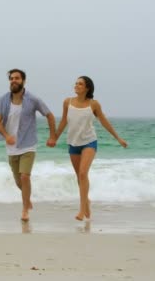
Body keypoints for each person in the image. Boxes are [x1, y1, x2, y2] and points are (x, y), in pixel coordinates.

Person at [54, 76, 128, 221]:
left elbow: (104, 122)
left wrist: (118, 138)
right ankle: (86, 201)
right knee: (79, 177)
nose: (76, 85)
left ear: (87, 88)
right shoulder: (67, 102)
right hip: (73, 143)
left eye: (80, 84)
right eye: (76, 83)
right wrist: (54, 138)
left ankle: (81, 210)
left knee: (82, 173)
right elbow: (63, 121)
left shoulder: (93, 104)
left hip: (89, 142)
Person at [0, 69, 56, 222]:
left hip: (28, 145)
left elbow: (49, 115)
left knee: (25, 176)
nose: (13, 81)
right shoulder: (3, 100)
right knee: (18, 182)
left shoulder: (33, 99)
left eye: (17, 78)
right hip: (12, 148)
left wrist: (52, 136)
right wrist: (6, 136)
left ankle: (25, 209)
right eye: (11, 78)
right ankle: (27, 199)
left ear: (23, 81)